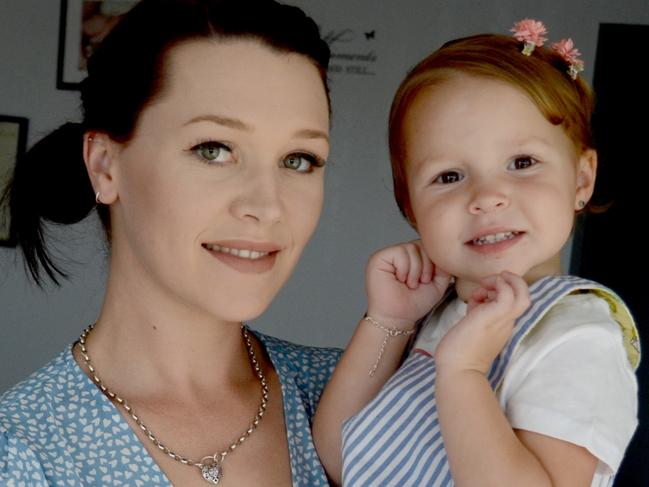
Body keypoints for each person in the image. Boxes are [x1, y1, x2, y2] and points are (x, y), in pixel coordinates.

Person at [0, 0, 340, 485]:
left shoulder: (359, 400)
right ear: (104, 166)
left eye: (300, 159)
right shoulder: (21, 453)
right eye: (214, 150)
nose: (268, 206)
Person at [313, 19, 640, 487]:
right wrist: (389, 321)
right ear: (411, 207)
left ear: (582, 180)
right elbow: (337, 455)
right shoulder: (440, 313)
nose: (488, 196)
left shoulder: (577, 336)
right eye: (449, 176)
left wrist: (464, 373)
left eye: (522, 163)